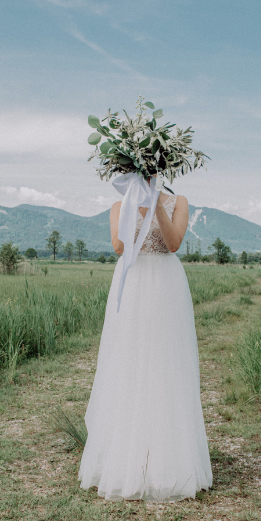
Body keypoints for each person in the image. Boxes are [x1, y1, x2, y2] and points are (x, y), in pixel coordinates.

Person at [78, 181, 213, 501]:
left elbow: (174, 243)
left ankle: (171, 463)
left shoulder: (179, 201)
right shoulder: (117, 206)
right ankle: (126, 461)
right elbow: (120, 247)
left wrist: (154, 207)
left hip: (166, 284)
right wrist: (133, 206)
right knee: (128, 363)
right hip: (132, 283)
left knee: (166, 365)